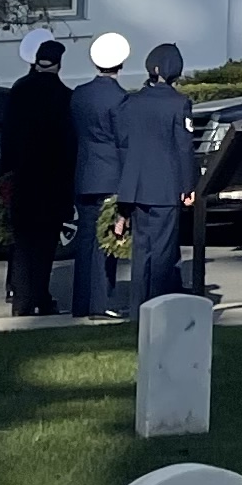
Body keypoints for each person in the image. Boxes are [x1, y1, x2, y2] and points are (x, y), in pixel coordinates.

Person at [115, 42, 199, 309]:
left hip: (137, 186)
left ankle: (138, 307)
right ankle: (159, 306)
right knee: (163, 251)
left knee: (142, 251)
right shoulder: (179, 103)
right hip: (165, 187)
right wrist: (189, 186)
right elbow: (184, 148)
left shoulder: (131, 102)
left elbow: (124, 143)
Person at [0, 31, 77, 318]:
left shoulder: (19, 90)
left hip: (23, 180)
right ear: (58, 64)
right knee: (45, 246)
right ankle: (41, 297)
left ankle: (21, 301)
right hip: (52, 184)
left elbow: (7, 138)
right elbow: (69, 147)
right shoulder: (65, 96)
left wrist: (5, 176)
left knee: (22, 244)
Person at [69, 30, 133, 320]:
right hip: (110, 175)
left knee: (85, 240)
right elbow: (123, 142)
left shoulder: (79, 94)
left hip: (85, 172)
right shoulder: (120, 99)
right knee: (107, 240)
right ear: (121, 64)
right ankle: (101, 300)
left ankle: (81, 301)